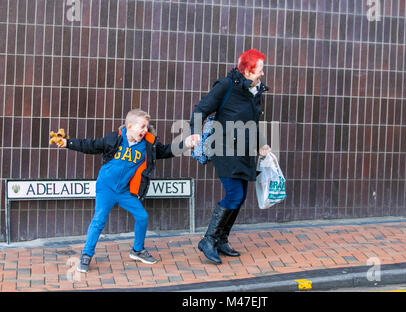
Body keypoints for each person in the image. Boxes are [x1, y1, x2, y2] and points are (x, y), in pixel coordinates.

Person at [53, 108, 200, 272]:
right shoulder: (114, 139)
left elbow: (166, 150)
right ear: (130, 126)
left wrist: (186, 144)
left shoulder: (147, 145)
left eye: (147, 127)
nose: (145, 130)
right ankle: (86, 256)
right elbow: (91, 145)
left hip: (124, 191)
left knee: (142, 216)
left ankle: (137, 250)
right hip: (106, 188)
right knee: (99, 220)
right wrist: (68, 143)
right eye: (142, 126)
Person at [190, 49, 271, 264]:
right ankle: (208, 240)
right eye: (259, 70)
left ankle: (221, 240)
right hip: (224, 149)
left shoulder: (255, 91)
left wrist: (261, 144)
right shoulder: (226, 86)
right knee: (234, 194)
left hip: (244, 152)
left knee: (240, 196)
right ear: (247, 70)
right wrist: (196, 132)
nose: (262, 74)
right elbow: (200, 109)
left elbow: (252, 122)